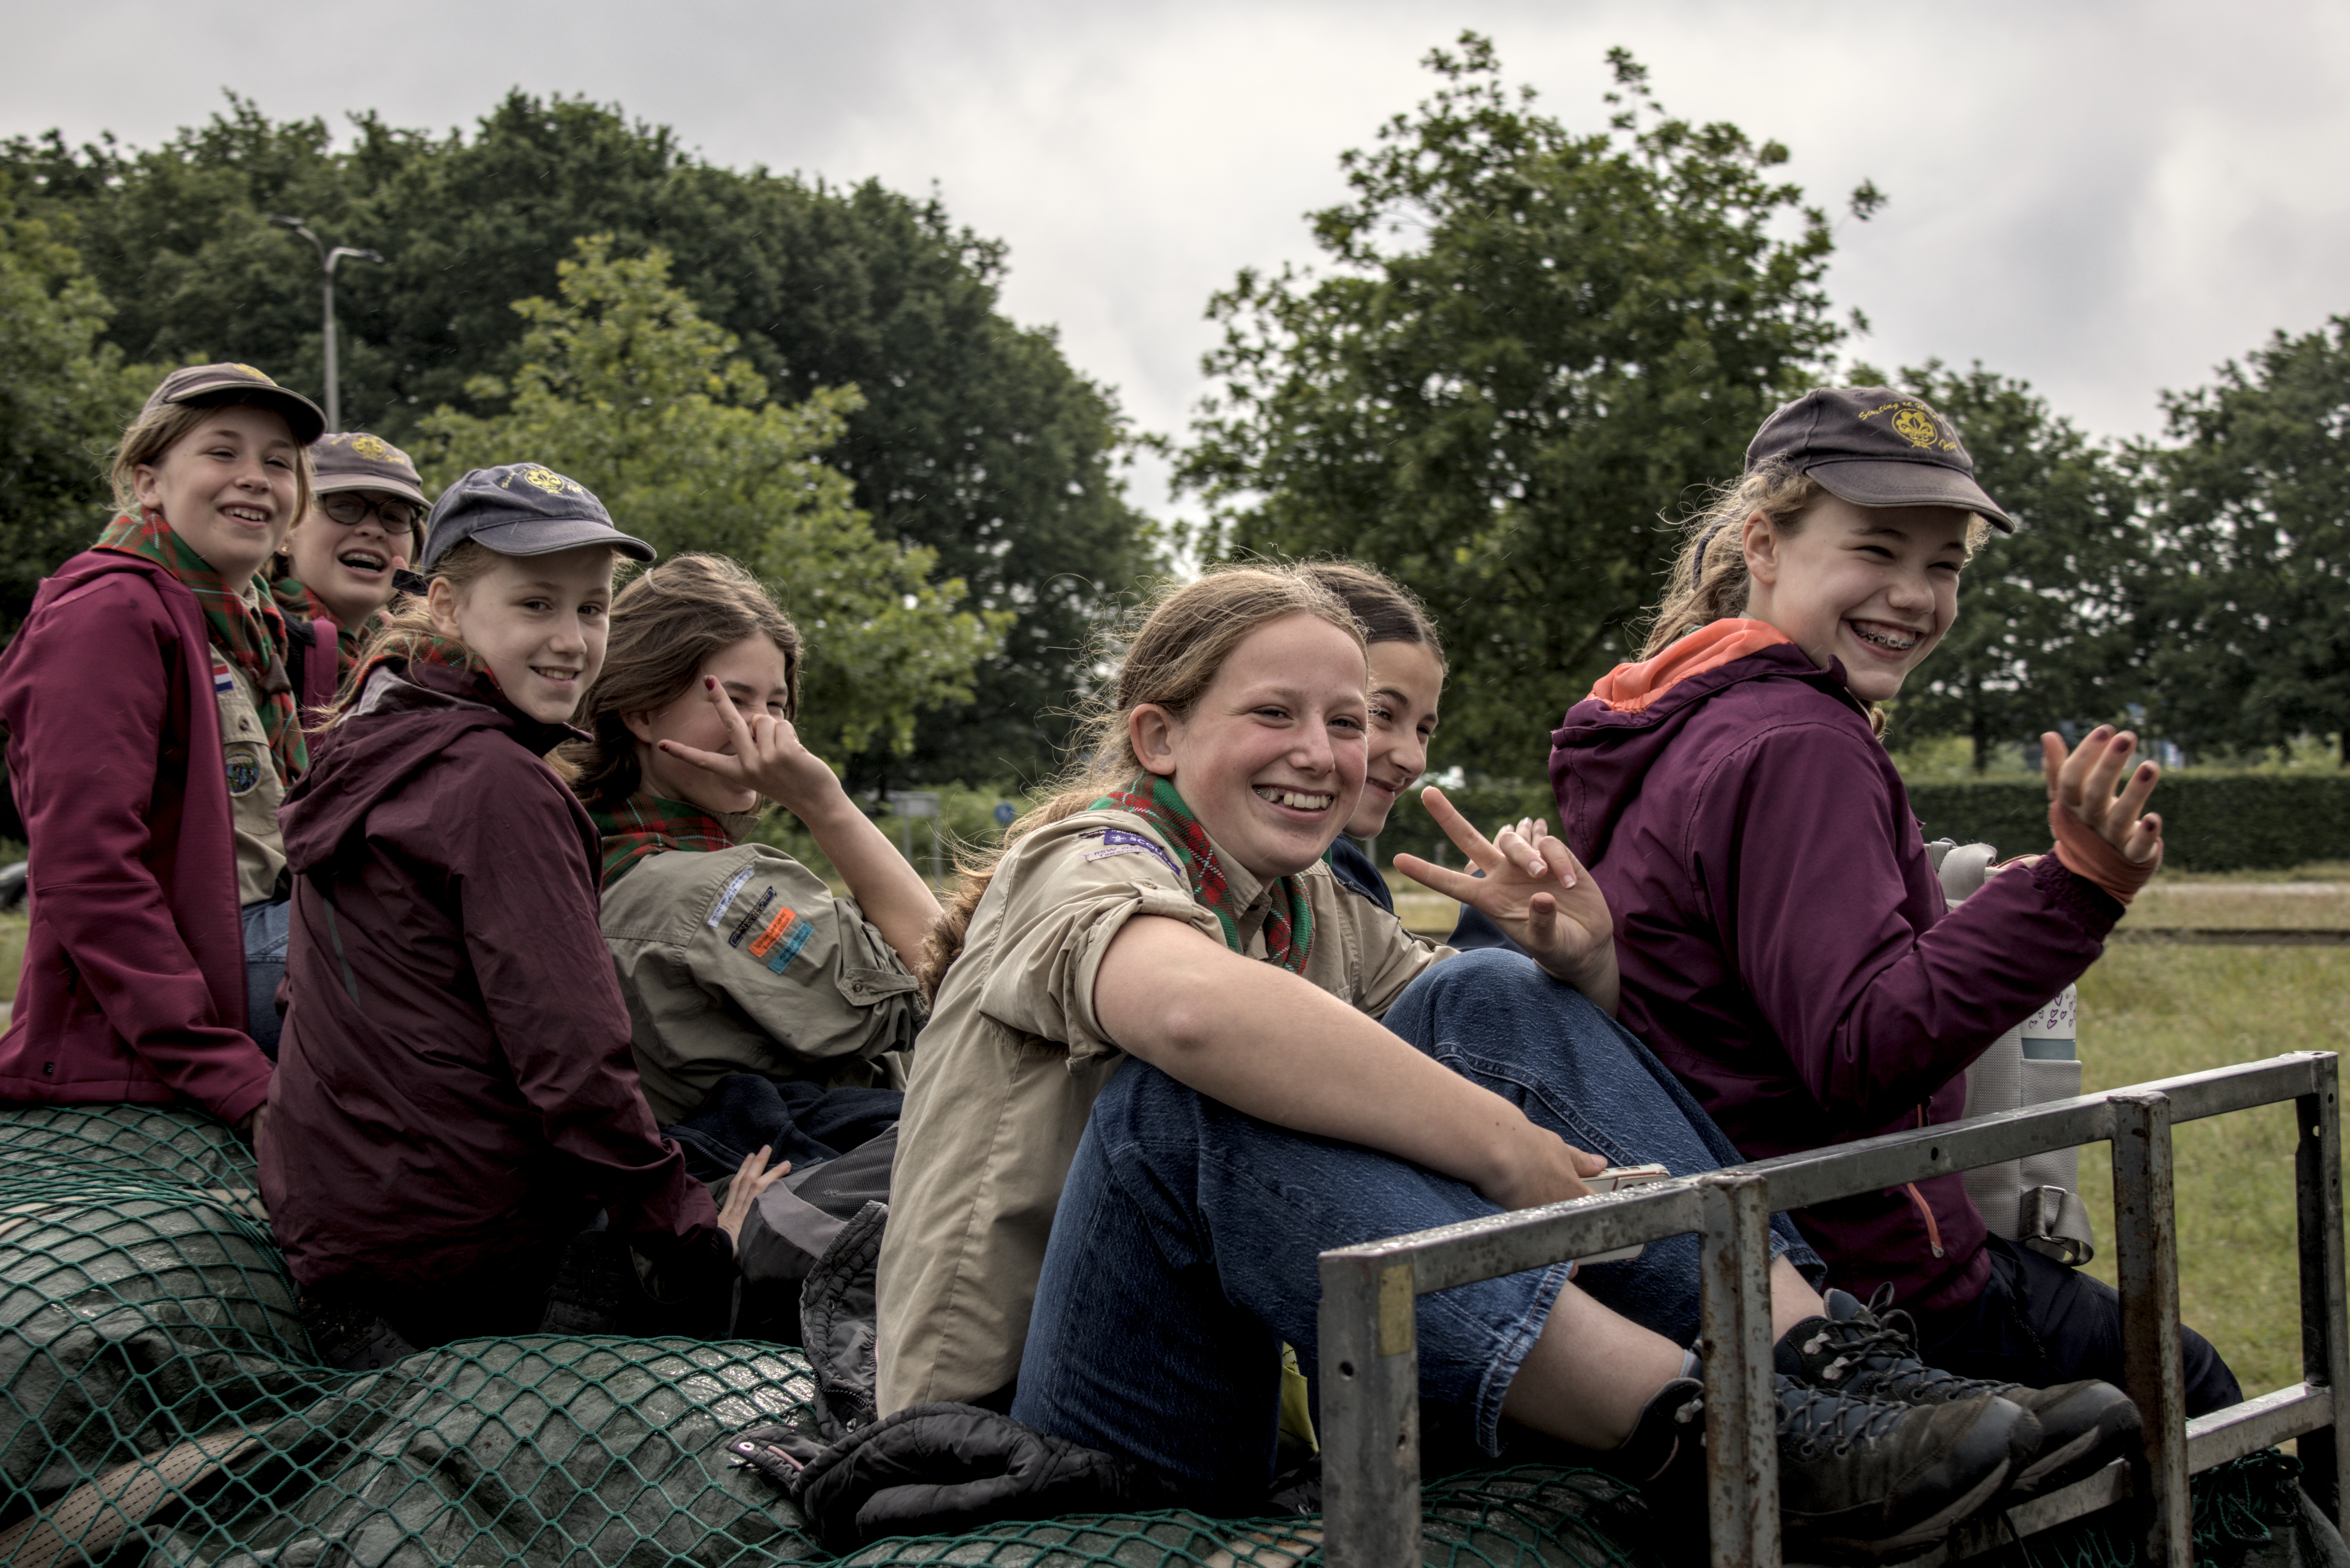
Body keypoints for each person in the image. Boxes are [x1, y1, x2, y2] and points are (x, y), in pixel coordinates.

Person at [877, 564, 2039, 1560]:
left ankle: (1816, 1359)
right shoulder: (1081, 858)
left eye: (1350, 722)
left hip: (1246, 1381)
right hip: (1037, 1423)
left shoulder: (1305, 902)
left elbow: (1481, 1035)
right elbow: (1190, 1017)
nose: (1326, 755)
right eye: (1274, 715)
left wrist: (1579, 964)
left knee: (1486, 988)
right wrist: (1501, 1152)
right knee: (1186, 1099)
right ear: (1159, 736)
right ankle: (1726, 1439)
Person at [1548, 387, 2241, 1415]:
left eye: (1943, 564)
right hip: (1871, 1274)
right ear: (1763, 547)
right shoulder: (1799, 741)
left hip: (1763, 1231)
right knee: (2191, 1383)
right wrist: (2075, 891)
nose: (1914, 595)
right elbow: (1862, 1048)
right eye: (1877, 551)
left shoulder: (1690, 720)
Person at [258, 465, 784, 1363]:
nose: (573, 639)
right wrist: (697, 1241)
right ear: (453, 608)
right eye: (538, 603)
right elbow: (575, 1066)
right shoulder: (500, 787)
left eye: (593, 608)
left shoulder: (371, 743)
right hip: (467, 1264)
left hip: (340, 1232)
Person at [0, 363, 325, 1119]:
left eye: (279, 463)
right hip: (191, 996)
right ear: (148, 482)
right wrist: (228, 1075)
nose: (256, 478)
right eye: (222, 452)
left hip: (258, 950)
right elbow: (89, 876)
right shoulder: (108, 612)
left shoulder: (247, 630)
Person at [567, 552, 934, 1140]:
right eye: (731, 701)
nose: (766, 733)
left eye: (775, 706)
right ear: (640, 709)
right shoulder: (716, 894)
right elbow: (942, 977)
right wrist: (825, 805)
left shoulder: (580, 849)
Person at [270, 430, 429, 681]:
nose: (374, 530)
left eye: (394, 516)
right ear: (285, 533)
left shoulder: (410, 667)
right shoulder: (253, 641)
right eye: (344, 507)